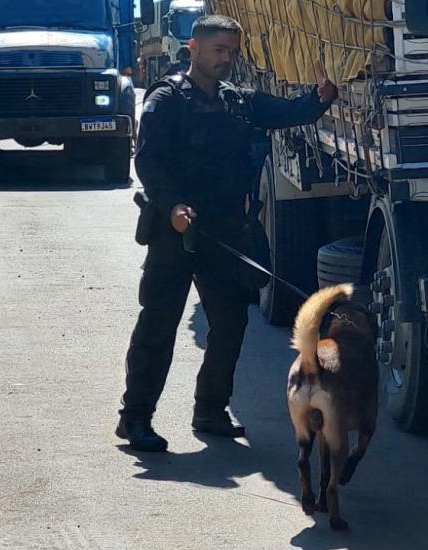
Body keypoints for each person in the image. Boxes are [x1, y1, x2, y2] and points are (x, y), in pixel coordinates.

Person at [116, 14, 338, 452]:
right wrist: (172, 204)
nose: (227, 60)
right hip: (175, 230)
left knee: (232, 321)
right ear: (194, 49)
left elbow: (285, 112)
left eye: (233, 52)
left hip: (223, 232)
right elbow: (148, 161)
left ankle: (210, 409)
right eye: (219, 51)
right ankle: (135, 418)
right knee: (158, 325)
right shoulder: (167, 98)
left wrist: (320, 99)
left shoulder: (237, 101)